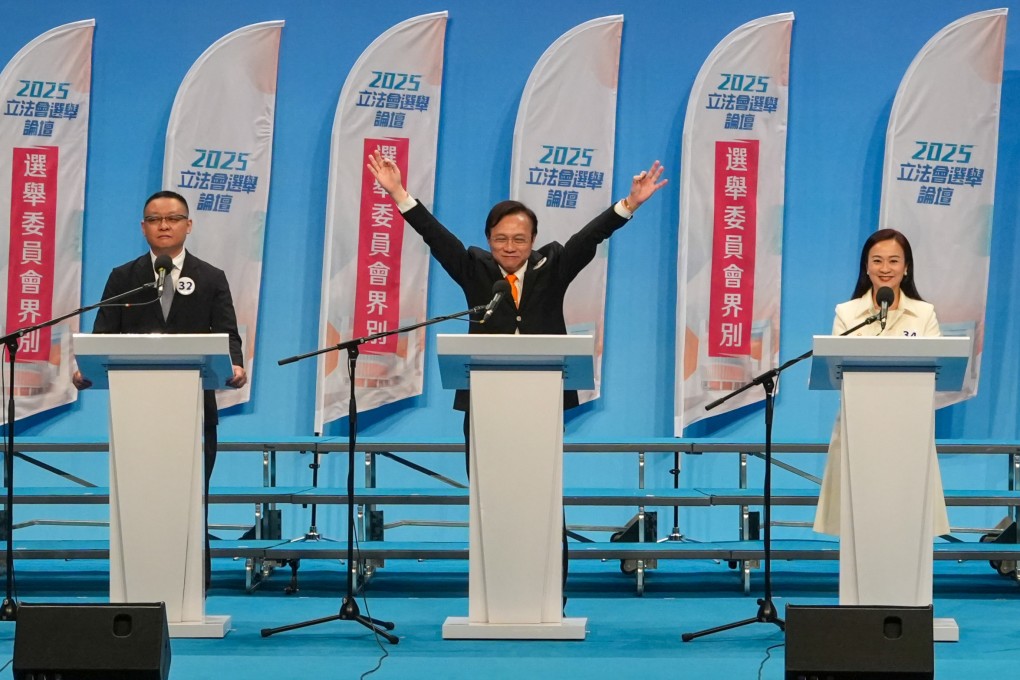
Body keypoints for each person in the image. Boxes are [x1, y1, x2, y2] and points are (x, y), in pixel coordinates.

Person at [367, 149, 667, 604]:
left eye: (519, 239)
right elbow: (436, 237)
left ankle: (549, 595)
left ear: (533, 241)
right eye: (501, 239)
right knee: (489, 496)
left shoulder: (554, 265)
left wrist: (629, 204)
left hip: (540, 402)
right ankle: (494, 593)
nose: (510, 247)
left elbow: (590, 237)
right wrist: (399, 195)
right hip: (484, 403)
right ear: (489, 239)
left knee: (542, 497)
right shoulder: (475, 268)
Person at [73, 189, 246, 588]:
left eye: (172, 218)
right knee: (140, 499)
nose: (163, 226)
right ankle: (137, 582)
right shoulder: (124, 278)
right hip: (136, 411)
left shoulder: (210, 277)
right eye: (154, 219)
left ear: (189, 225)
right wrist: (86, 369)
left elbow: (227, 333)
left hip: (194, 410)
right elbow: (104, 335)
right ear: (143, 227)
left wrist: (235, 363)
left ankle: (192, 585)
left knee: (190, 499)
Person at [813, 228, 948, 536]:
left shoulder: (924, 314)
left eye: (893, 261)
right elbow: (835, 370)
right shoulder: (847, 313)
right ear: (866, 266)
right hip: (858, 425)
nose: (885, 268)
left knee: (906, 521)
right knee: (858, 521)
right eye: (877, 260)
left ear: (906, 267)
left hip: (909, 428)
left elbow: (938, 367)